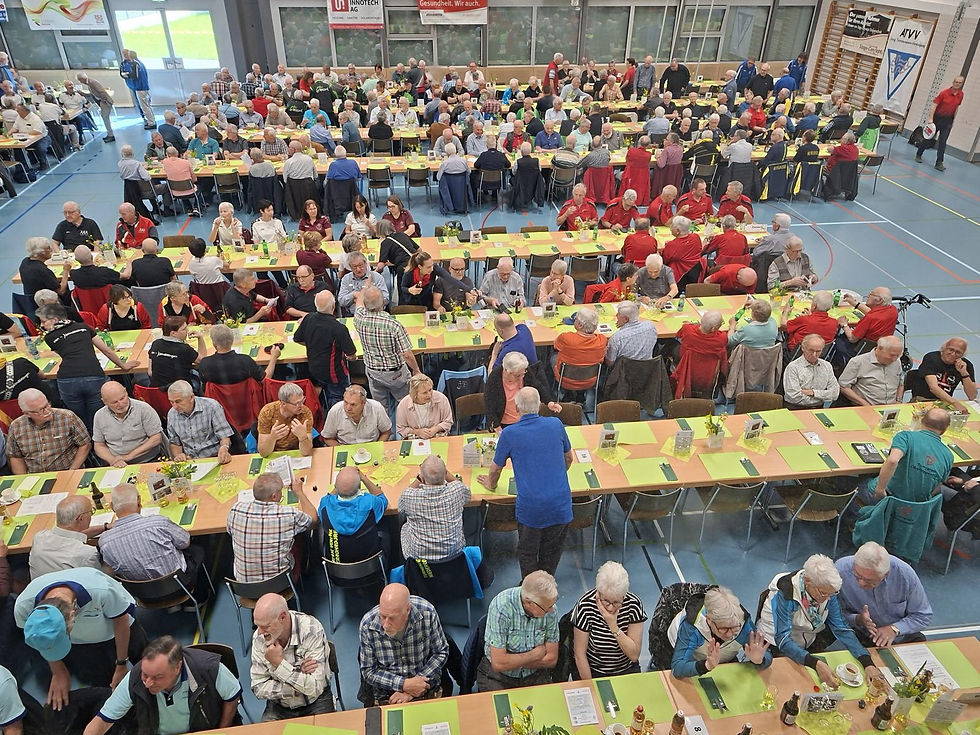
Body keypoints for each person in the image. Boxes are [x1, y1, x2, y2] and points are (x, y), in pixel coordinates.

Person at [16, 567, 147, 703]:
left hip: (120, 630)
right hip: (83, 644)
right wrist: (58, 671)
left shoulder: (101, 591)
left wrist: (121, 664)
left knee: (144, 662)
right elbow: (43, 640)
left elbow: (121, 621)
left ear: (74, 614)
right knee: (103, 683)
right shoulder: (23, 606)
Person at [757, 554, 886, 690]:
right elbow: (782, 639)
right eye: (823, 593)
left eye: (832, 594)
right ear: (807, 581)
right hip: (773, 645)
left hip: (805, 642)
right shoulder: (785, 593)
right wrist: (815, 663)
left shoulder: (827, 591)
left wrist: (867, 662)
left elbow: (841, 628)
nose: (827, 599)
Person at [479, 387, 572, 576]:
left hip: (532, 508)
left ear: (516, 407)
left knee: (528, 553)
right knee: (551, 553)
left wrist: (491, 483)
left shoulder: (510, 433)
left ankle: (530, 593)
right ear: (539, 405)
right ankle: (545, 588)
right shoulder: (556, 424)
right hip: (561, 504)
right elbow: (569, 458)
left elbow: (496, 468)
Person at [82, 635, 241, 735]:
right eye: (145, 674)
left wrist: (222, 730)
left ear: (177, 668)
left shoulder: (208, 669)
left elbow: (232, 696)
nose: (148, 683)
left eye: (157, 677)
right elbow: (103, 719)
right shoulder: (135, 678)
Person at [36, 304, 133, 433]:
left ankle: (85, 445)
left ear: (54, 320)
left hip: (68, 380)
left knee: (78, 419)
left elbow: (66, 352)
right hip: (93, 376)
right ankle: (100, 443)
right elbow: (106, 350)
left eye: (43, 321)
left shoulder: (49, 337)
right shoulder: (84, 327)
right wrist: (124, 366)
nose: (42, 325)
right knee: (98, 416)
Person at [98, 483, 203, 596]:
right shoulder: (158, 523)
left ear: (112, 506)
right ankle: (200, 597)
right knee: (198, 549)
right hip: (179, 585)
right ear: (139, 501)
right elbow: (185, 543)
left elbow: (114, 569)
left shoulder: (105, 542)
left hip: (144, 595)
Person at [358, 583, 449, 705]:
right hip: (389, 695)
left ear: (407, 610)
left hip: (425, 687)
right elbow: (369, 671)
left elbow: (441, 652)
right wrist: (404, 685)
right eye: (383, 616)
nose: (385, 625)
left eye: (392, 618)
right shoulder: (367, 624)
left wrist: (414, 688)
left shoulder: (427, 612)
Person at [251, 593, 334, 720]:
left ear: (282, 617)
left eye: (265, 626)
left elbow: (315, 688)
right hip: (280, 705)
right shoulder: (259, 638)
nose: (260, 632)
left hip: (316, 701)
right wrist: (298, 680)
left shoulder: (311, 630)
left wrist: (278, 664)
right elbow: (258, 687)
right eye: (257, 625)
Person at [834, 542, 932, 647]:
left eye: (869, 580)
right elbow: (833, 615)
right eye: (857, 576)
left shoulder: (905, 574)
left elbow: (923, 615)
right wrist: (858, 619)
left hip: (903, 636)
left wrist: (894, 629)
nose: (861, 583)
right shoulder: (840, 571)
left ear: (886, 574)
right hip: (864, 634)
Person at [226, 473, 314, 583]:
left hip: (244, 586)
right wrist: (299, 492)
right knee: (300, 537)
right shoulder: (288, 514)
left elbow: (230, 533)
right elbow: (313, 519)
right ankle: (307, 569)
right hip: (280, 583)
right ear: (274, 496)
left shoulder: (236, 510)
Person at [478, 571, 559, 690]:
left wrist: (511, 661)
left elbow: (551, 659)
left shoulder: (549, 607)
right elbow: (498, 663)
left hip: (534, 675)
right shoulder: (502, 607)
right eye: (546, 609)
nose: (551, 610)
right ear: (529, 603)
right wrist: (534, 655)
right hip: (498, 677)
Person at [669, 585, 771, 678]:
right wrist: (706, 665)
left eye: (734, 628)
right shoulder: (692, 627)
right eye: (724, 629)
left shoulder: (743, 623)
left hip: (719, 659)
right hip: (686, 654)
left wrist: (759, 660)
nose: (730, 634)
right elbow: (677, 668)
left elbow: (767, 655)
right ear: (709, 620)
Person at [859, 408, 953, 507]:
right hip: (914, 508)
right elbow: (936, 488)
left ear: (922, 421)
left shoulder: (905, 437)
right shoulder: (948, 456)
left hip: (887, 497)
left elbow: (892, 461)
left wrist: (880, 489)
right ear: (945, 429)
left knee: (855, 483)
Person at [571, 561, 647, 679]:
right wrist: (591, 686)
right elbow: (580, 654)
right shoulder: (584, 606)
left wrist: (613, 626)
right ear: (599, 593)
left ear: (624, 595)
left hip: (626, 669)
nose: (610, 607)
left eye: (616, 602)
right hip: (594, 670)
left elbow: (634, 655)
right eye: (605, 601)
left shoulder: (634, 605)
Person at [398, 454, 472, 562]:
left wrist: (420, 477)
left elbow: (400, 508)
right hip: (454, 554)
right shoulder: (457, 489)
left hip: (418, 559)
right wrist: (442, 471)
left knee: (404, 524)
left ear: (422, 478)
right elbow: (466, 494)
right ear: (446, 473)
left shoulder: (409, 496)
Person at [28, 496, 103, 579]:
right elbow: (98, 580)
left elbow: (72, 536)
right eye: (91, 512)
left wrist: (104, 527)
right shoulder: (87, 554)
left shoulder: (39, 537)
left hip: (41, 589)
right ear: (81, 518)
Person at [93, 380, 164, 467]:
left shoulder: (144, 409)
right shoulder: (99, 415)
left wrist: (128, 457)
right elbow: (99, 445)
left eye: (122, 398)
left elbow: (156, 438)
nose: (120, 404)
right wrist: (112, 460)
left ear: (126, 392)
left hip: (148, 461)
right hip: (115, 464)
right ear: (104, 402)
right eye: (114, 402)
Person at [485, 352, 559, 430]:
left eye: (523, 373)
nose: (521, 377)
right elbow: (489, 404)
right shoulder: (495, 378)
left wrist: (549, 402)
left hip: (526, 419)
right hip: (505, 424)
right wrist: (496, 426)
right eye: (517, 376)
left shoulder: (524, 372)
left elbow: (537, 386)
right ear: (507, 371)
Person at [165, 380, 234, 462]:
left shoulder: (211, 406)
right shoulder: (172, 414)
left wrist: (224, 448)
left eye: (178, 401)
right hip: (190, 460)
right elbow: (175, 443)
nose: (175, 406)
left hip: (214, 458)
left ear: (191, 397)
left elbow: (224, 435)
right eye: (171, 402)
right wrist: (179, 455)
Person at [198, 323, 279, 386]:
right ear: (232, 340)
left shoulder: (205, 363)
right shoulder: (245, 361)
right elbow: (265, 380)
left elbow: (205, 386)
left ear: (214, 344)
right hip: (247, 401)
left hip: (218, 403)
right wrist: (273, 358)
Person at [907, 338, 976, 408]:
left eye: (958, 352)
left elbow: (972, 395)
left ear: (962, 355)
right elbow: (933, 388)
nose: (953, 354)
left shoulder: (965, 365)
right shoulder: (931, 358)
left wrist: (964, 373)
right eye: (950, 350)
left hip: (945, 402)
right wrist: (955, 403)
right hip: (923, 400)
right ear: (944, 348)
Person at [837, 336, 904, 406]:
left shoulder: (897, 362)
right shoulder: (858, 362)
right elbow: (843, 386)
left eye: (898, 355)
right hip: (865, 407)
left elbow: (901, 383)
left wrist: (899, 401)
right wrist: (864, 403)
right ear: (880, 348)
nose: (894, 359)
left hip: (891, 407)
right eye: (892, 355)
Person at [916, 75, 964, 171]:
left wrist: (953, 120)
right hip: (937, 119)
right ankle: (919, 154)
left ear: (961, 84)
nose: (957, 84)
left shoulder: (961, 94)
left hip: (948, 121)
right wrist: (930, 119)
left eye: (959, 83)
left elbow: (956, 107)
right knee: (928, 138)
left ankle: (939, 162)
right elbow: (934, 106)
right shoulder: (944, 93)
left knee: (943, 142)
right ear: (953, 82)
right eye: (956, 82)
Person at [256, 382, 314, 457]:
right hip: (274, 454)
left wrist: (302, 437)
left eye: (302, 401)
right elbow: (263, 453)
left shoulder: (305, 412)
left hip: (297, 452)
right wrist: (272, 438)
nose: (301, 406)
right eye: (296, 404)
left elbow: (307, 452)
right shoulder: (267, 412)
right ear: (283, 404)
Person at [322, 384, 392, 446]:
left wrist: (376, 447)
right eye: (346, 402)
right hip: (345, 447)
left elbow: (386, 432)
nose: (348, 408)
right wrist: (342, 450)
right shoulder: (335, 411)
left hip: (371, 446)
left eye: (353, 404)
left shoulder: (376, 408)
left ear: (363, 403)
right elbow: (328, 438)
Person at [783, 335, 839, 409]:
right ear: (803, 348)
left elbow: (835, 393)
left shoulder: (827, 366)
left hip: (819, 407)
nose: (814, 354)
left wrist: (813, 392)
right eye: (811, 350)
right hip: (796, 408)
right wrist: (822, 396)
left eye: (818, 351)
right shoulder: (793, 367)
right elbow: (793, 396)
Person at [148, 316, 205, 390]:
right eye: (184, 329)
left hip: (158, 393)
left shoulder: (156, 344)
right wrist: (200, 338)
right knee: (199, 378)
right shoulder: (184, 349)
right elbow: (203, 360)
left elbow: (150, 372)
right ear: (173, 333)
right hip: (182, 391)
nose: (187, 331)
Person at [396, 374, 453, 439]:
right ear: (415, 394)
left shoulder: (441, 398)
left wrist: (435, 429)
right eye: (424, 393)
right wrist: (417, 432)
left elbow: (448, 421)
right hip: (414, 438)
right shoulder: (403, 405)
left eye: (430, 390)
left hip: (438, 436)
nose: (429, 395)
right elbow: (401, 429)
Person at [661, 216, 702, 287]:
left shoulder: (672, 245)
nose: (670, 228)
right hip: (696, 272)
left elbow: (664, 260)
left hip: (680, 276)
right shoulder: (696, 237)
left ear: (677, 231)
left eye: (672, 226)